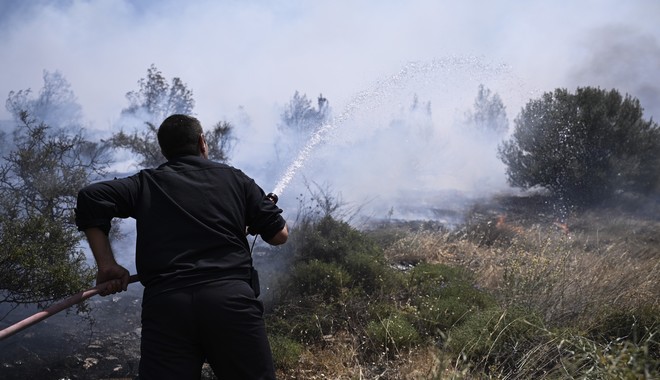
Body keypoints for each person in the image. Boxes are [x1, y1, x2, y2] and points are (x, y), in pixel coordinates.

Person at [75, 114, 288, 379]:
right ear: (202, 142)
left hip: (167, 308)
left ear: (164, 150)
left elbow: (91, 197)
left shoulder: (146, 183)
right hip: (230, 304)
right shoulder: (235, 179)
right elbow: (280, 235)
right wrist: (259, 211)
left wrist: (106, 265)